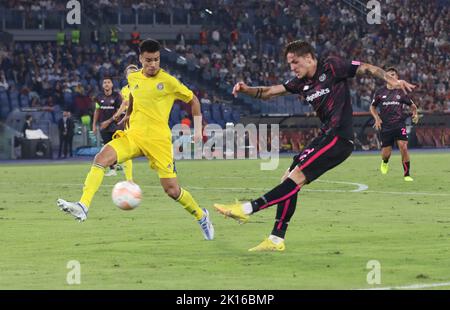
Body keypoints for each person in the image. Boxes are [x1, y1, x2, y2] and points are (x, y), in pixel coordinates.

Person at [214, 40, 416, 251]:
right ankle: (276, 239)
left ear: (309, 58)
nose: (292, 67)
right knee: (288, 179)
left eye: (295, 62)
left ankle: (247, 208)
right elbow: (269, 92)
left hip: (339, 138)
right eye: (289, 63)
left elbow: (367, 67)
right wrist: (246, 89)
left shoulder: (331, 67)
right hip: (325, 136)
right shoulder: (299, 83)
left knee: (296, 178)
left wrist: (390, 79)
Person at [57, 39, 214, 241]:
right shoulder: (133, 78)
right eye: (148, 60)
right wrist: (129, 115)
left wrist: (198, 128)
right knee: (101, 158)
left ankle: (201, 216)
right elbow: (133, 96)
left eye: (156, 60)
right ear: (140, 59)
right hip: (134, 136)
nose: (153, 64)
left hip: (158, 142)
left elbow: (193, 100)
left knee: (172, 190)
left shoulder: (168, 81)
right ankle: (83, 205)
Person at [370, 67, 418, 181]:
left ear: (397, 77)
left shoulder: (401, 92)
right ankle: (385, 162)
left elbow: (413, 106)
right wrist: (376, 118)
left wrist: (415, 114)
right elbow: (372, 107)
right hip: (385, 126)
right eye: (389, 75)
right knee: (386, 153)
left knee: (404, 147)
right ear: (385, 77)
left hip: (399, 124)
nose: (391, 76)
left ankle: (407, 174)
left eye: (393, 74)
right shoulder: (380, 92)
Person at [92, 77, 122, 176]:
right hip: (103, 126)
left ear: (112, 85)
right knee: (107, 147)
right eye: (104, 82)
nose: (106, 84)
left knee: (116, 146)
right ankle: (113, 169)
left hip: (115, 125)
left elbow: (119, 112)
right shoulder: (99, 97)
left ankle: (118, 165)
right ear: (102, 85)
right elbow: (97, 110)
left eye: (108, 82)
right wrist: (94, 125)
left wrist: (108, 121)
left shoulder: (117, 96)